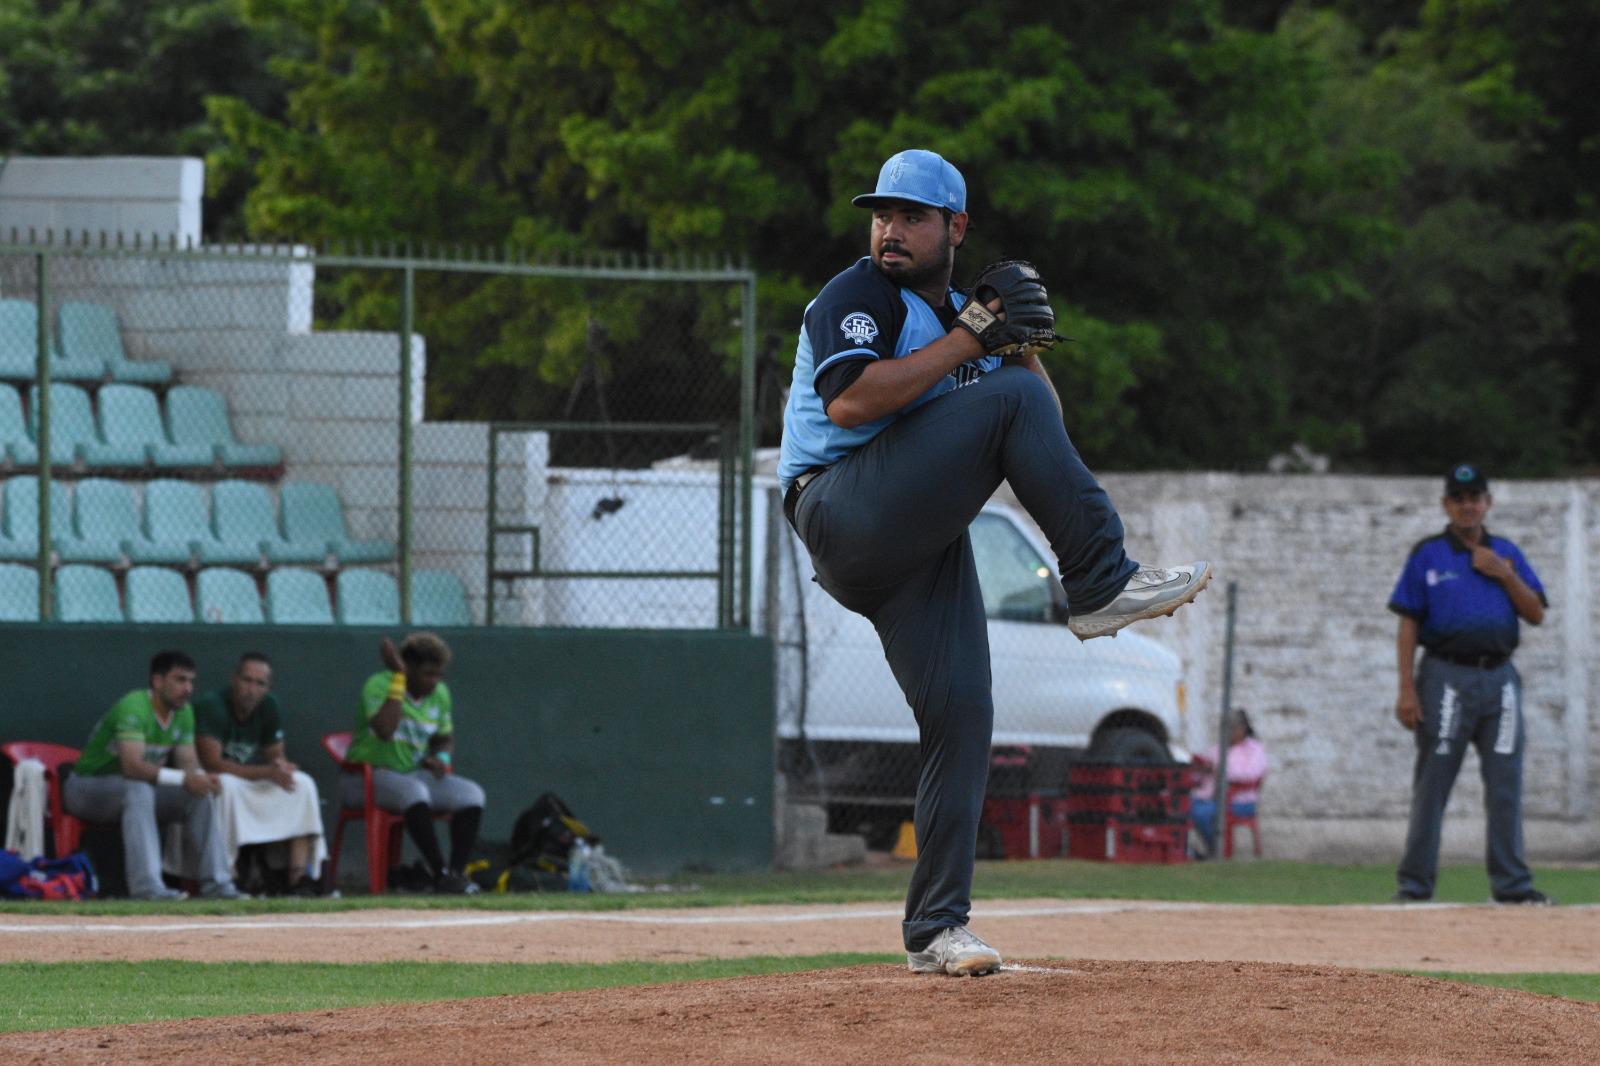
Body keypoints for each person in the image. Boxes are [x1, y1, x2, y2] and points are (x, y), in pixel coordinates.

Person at [777, 148, 1211, 976]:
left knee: (963, 717)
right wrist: (972, 337)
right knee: (996, 402)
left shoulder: (961, 323)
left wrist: (1018, 345)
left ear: (956, 228)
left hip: (914, 541)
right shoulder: (857, 294)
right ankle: (1101, 581)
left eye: (911, 216)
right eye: (882, 214)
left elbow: (1037, 417)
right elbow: (853, 400)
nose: (890, 230)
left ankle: (938, 930)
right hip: (839, 507)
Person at [1388, 463, 1551, 905]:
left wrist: (1504, 573)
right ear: (1447, 504)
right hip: (1445, 676)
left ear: (1487, 503)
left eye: (1475, 498)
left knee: (1505, 784)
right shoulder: (1428, 555)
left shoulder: (1506, 552)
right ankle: (1415, 886)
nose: (1467, 506)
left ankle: (1513, 886)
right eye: (1458, 499)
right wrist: (1407, 688)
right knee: (1433, 782)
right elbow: (1408, 623)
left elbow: (1535, 613)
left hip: (1500, 677)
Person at [63, 650, 245, 900]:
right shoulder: (134, 706)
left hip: (136, 791)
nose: (188, 688)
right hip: (85, 790)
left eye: (191, 681)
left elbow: (188, 765)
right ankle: (148, 889)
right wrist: (184, 779)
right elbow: (132, 767)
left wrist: (202, 778)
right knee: (138, 788)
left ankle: (218, 885)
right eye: (180, 680)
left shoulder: (184, 713)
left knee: (198, 795)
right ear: (158, 681)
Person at [345, 632, 483, 894]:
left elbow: (444, 737)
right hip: (366, 777)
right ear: (408, 668)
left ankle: (455, 875)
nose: (435, 681)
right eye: (428, 674)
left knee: (471, 794)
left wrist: (441, 758)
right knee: (414, 792)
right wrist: (398, 678)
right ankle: (439, 872)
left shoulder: (440, 694)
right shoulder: (379, 684)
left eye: (439, 674)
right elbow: (385, 730)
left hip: (413, 775)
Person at [193, 652, 327, 896]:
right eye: (246, 680)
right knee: (225, 785)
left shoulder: (269, 706)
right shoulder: (212, 704)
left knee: (302, 783)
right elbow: (211, 763)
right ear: (234, 679)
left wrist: (281, 769)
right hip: (214, 780)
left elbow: (276, 756)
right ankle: (229, 876)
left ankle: (299, 877)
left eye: (260, 683)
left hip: (250, 780)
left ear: (268, 687)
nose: (251, 689)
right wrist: (266, 772)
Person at [1189, 710, 1268, 859]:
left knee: (1201, 813)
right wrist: (1199, 769)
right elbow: (1202, 774)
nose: (1227, 732)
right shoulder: (1218, 748)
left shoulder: (1254, 749)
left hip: (1240, 800)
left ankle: (1218, 851)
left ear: (1242, 729)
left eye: (1231, 727)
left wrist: (1220, 770)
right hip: (1210, 797)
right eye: (1224, 728)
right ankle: (1190, 852)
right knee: (1182, 807)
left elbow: (1251, 774)